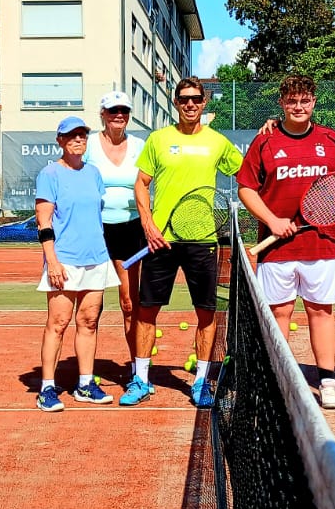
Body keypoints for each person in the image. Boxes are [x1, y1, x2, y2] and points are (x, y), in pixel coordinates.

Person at [124, 77, 243, 408]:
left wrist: (268, 135)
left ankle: (202, 382)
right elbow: (141, 184)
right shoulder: (158, 140)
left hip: (202, 240)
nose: (190, 104)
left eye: (196, 99)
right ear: (175, 102)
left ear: (204, 103)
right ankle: (140, 380)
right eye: (184, 99)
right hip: (161, 241)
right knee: (146, 311)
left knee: (206, 315)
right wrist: (148, 225)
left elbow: (247, 172)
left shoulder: (218, 143)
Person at [236, 73, 335, 409]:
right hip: (276, 249)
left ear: (314, 101)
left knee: (320, 311)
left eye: (305, 100)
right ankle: (279, 381)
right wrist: (272, 220)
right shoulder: (265, 141)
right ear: (282, 103)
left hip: (322, 243)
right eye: (291, 101)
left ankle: (327, 382)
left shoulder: (331, 140)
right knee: (279, 313)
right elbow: (246, 188)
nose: (298, 106)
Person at [34, 116, 118, 411]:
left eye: (82, 134)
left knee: (89, 322)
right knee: (57, 324)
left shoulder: (93, 173)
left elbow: (97, 216)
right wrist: (52, 261)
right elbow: (43, 222)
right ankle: (46, 388)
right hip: (65, 261)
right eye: (71, 135)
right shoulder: (49, 174)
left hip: (96, 259)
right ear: (60, 140)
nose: (78, 139)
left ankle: (85, 383)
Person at [84, 90, 146, 363]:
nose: (119, 115)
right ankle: (85, 375)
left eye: (124, 111)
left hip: (131, 230)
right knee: (91, 308)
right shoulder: (87, 145)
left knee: (129, 304)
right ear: (103, 115)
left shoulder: (140, 146)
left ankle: (137, 370)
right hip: (94, 231)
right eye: (113, 111)